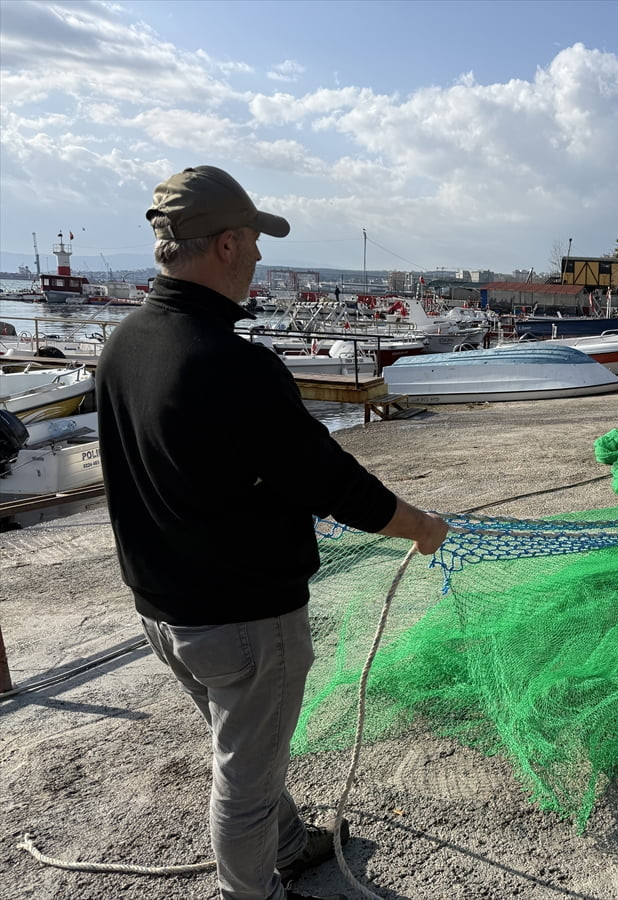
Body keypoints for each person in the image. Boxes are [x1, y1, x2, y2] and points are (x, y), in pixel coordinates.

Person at [96, 165, 448, 900]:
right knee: (245, 778)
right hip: (244, 620)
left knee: (243, 746)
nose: (261, 255)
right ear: (225, 244)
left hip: (163, 611)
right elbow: (331, 480)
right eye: (255, 240)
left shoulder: (125, 342)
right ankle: (249, 890)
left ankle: (288, 844)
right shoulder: (233, 362)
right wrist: (417, 526)